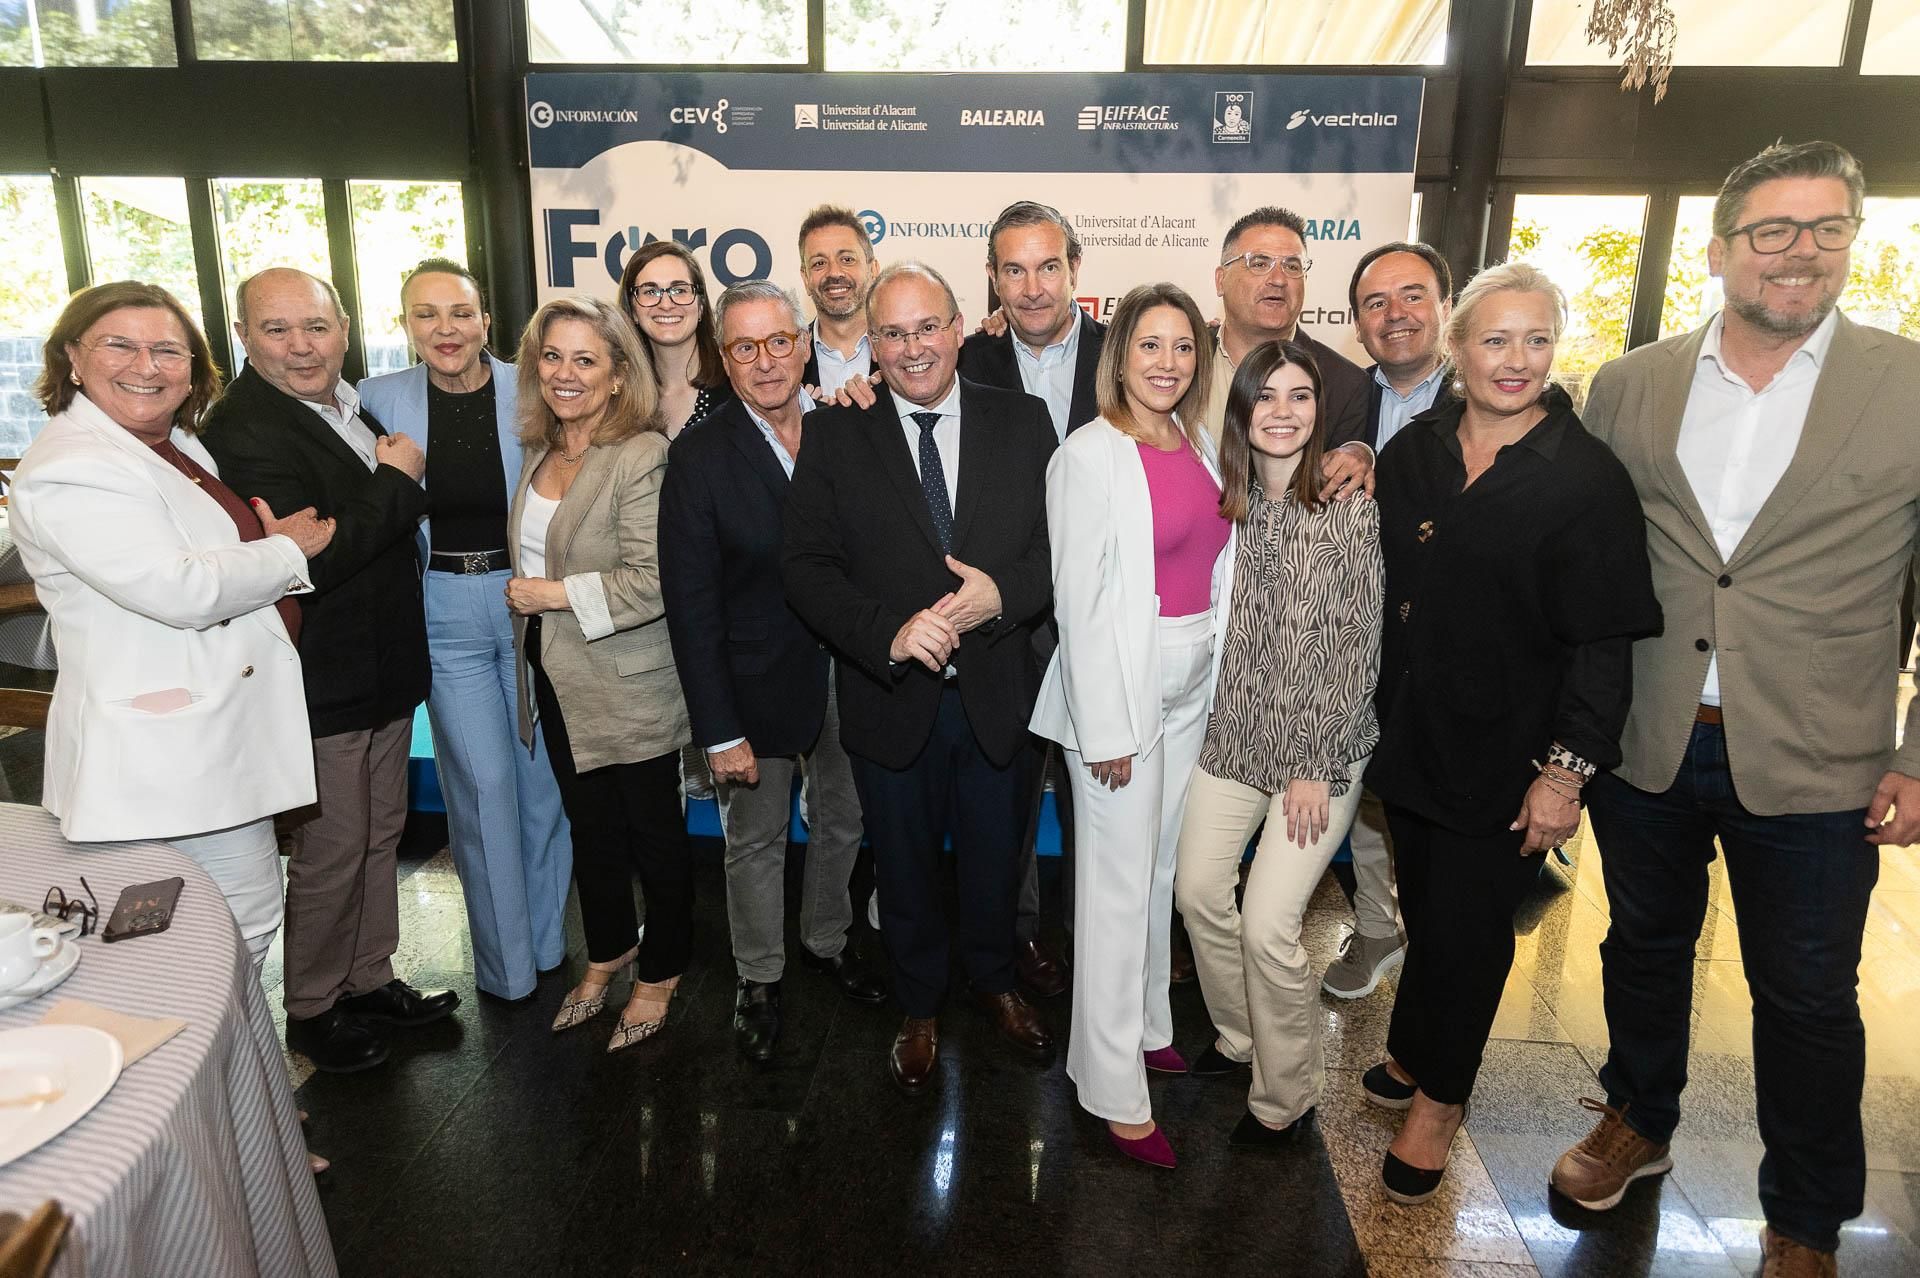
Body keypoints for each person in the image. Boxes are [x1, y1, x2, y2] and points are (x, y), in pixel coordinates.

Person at [1551, 140, 1920, 1278]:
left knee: (1806, 995)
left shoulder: (1907, 386)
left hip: (1820, 755)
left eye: (1825, 229)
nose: (1798, 252)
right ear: (1721, 251)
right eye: (1772, 230)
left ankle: (1805, 1218)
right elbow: (1592, 560)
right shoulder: (1634, 382)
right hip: (1653, 736)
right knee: (1642, 947)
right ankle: (1637, 1121)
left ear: (1853, 240)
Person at [1365, 262, 1659, 1205]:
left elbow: (1603, 646)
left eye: (1537, 340)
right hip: (1410, 738)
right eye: (1496, 339)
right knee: (1426, 908)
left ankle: (1439, 1104)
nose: (1517, 360)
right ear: (1455, 348)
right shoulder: (1414, 451)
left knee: (1471, 932)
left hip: (1510, 758)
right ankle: (1413, 1051)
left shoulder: (1585, 479)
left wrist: (1564, 776)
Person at [783, 261, 1056, 1096]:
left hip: (996, 692)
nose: (912, 349)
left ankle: (994, 979)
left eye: (927, 326)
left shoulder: (1025, 421)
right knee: (900, 866)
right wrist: (890, 634)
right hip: (890, 696)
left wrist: (1000, 598)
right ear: (871, 345)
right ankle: (919, 1003)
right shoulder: (834, 431)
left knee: (994, 857)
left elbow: (1065, 551)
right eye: (893, 334)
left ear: (962, 327)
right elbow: (806, 566)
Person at [10, 281, 330, 967]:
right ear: (73, 357)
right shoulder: (73, 469)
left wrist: (256, 552)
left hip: (207, 744)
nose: (145, 366)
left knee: (238, 918)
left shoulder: (173, 444)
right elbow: (180, 588)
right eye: (119, 345)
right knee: (180, 942)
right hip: (160, 758)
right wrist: (285, 551)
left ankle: (228, 1071)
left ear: (193, 368)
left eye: (167, 349)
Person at [203, 267, 458, 1075]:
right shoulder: (243, 428)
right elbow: (319, 559)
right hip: (322, 677)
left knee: (380, 832)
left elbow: (345, 533)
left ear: (343, 328)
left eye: (314, 326)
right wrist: (397, 480)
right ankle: (314, 1007)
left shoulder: (350, 404)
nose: (301, 346)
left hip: (382, 668)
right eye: (276, 330)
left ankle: (369, 977)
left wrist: (373, 499)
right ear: (244, 338)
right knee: (334, 845)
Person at [1030, 282, 1229, 1168]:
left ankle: (1150, 1024)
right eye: (1149, 345)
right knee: (1113, 890)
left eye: (1182, 347)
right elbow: (1076, 602)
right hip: (1119, 691)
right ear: (1120, 356)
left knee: (1155, 871)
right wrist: (1103, 728)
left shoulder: (1197, 440)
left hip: (1192, 680)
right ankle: (1111, 1088)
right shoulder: (1089, 454)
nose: (1167, 362)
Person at [660, 281, 883, 1065]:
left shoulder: (843, 431)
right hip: (753, 687)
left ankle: (827, 938)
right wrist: (717, 730)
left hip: (849, 674)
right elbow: (690, 604)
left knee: (846, 817)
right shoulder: (698, 456)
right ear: (725, 358)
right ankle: (759, 976)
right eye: (745, 348)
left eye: (779, 341)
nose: (766, 361)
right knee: (755, 839)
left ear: (804, 341)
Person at [1172, 339, 1383, 1147]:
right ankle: (1242, 1035)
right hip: (1233, 739)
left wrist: (1312, 766)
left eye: (1301, 397)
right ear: (1243, 410)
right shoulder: (1228, 502)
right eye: (1268, 396)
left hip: (1317, 755)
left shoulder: (1346, 508)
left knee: (1268, 924)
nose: (1285, 412)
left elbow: (1356, 646)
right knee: (1196, 891)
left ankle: (1285, 1092)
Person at [357, 259, 571, 1004]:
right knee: (482, 789)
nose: (444, 329)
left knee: (545, 790)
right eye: (426, 314)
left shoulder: (533, 386)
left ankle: (549, 945)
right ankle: (506, 971)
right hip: (443, 608)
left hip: (531, 604)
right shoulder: (375, 399)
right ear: (407, 324)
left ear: (486, 320)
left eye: (460, 312)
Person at [506, 295, 695, 1054]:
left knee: (655, 837)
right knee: (591, 830)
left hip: (629, 680)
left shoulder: (640, 454)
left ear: (619, 375)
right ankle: (609, 949)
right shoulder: (538, 450)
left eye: (586, 359)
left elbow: (651, 581)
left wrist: (549, 595)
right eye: (553, 357)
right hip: (553, 675)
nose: (566, 373)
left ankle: (664, 968)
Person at [958, 199, 1104, 1000]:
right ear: (992, 279)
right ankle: (1015, 941)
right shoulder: (965, 361)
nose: (1034, 287)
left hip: (1104, 618)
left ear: (1075, 270)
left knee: (1098, 799)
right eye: (1014, 269)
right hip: (1006, 619)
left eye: (1049, 266)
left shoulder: (1131, 356)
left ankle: (1093, 941)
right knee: (1007, 797)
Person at [1317, 241, 1457, 1003]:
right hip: (1354, 628)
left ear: (1445, 306)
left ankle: (1439, 963)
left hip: (1448, 638)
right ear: (1359, 323)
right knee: (1366, 783)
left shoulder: (1487, 398)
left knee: (1431, 800)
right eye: (1376, 303)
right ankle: (1378, 926)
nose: (1395, 315)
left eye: (1412, 296)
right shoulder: (1338, 396)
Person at [618, 241, 732, 801]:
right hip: (640, 611)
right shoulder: (616, 397)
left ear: (700, 300)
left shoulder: (735, 386)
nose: (666, 302)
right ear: (633, 305)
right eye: (650, 290)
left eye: (679, 288)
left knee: (731, 786)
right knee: (655, 798)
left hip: (721, 608)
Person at [1207, 206, 1374, 503]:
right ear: (1221, 280)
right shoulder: (1183, 361)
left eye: (1293, 266)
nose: (1279, 279)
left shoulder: (1345, 384)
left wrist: (1362, 453)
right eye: (1259, 263)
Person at [796, 205, 880, 396]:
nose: (834, 272)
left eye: (847, 259)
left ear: (873, 270)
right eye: (819, 263)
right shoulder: (787, 362)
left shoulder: (903, 352)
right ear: (806, 279)